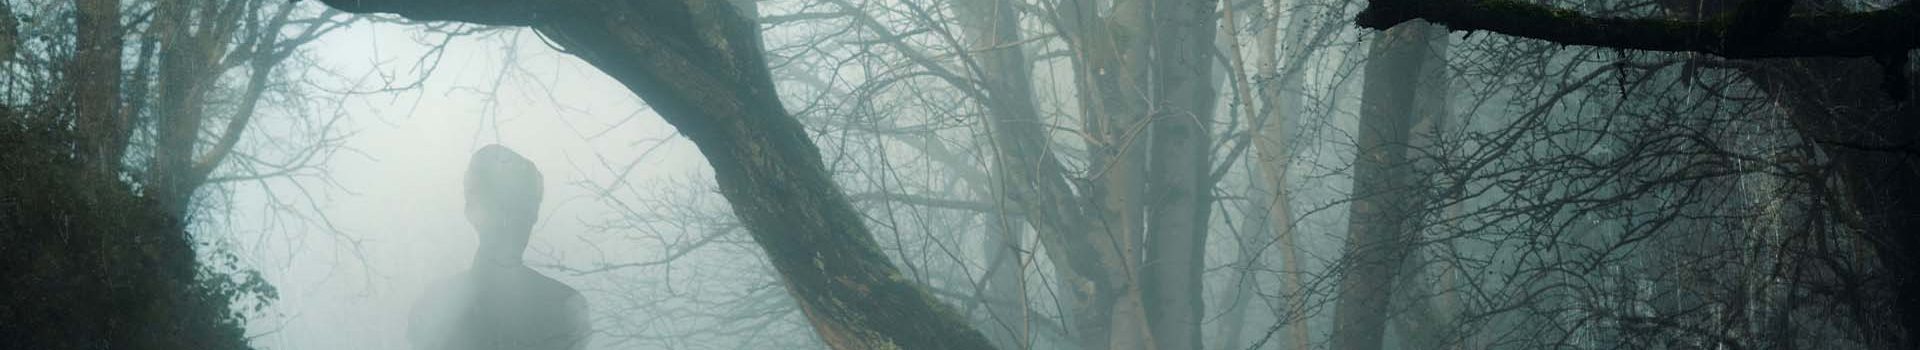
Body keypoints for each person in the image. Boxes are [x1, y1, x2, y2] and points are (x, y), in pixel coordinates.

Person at [408, 145, 590, 350]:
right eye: (503, 210)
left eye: (525, 211)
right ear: (473, 212)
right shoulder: (436, 307)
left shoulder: (564, 307)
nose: (514, 224)